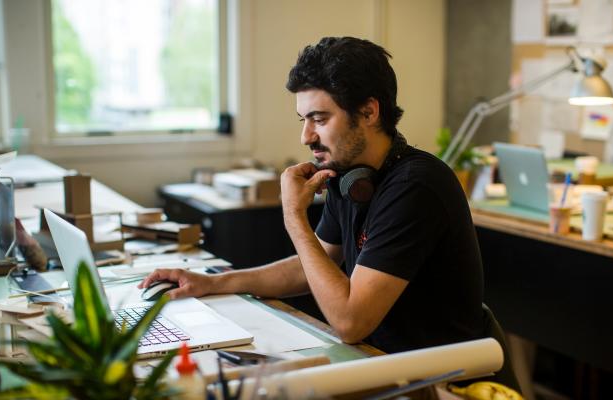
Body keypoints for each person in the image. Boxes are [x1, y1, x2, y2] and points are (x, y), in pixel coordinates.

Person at [139, 36, 486, 353]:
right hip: (380, 360)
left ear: (368, 111)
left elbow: (350, 322)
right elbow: (312, 267)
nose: (306, 136)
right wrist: (212, 283)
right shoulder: (349, 175)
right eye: (303, 119)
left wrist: (294, 216)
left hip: (437, 379)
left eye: (319, 119)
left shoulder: (415, 187)